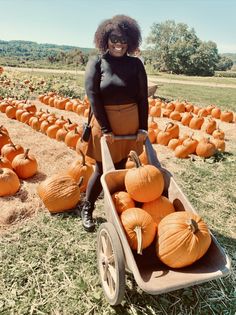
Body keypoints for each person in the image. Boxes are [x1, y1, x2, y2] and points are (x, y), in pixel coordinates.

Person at [80, 14, 149, 232]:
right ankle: (87, 207)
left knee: (120, 168)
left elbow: (142, 98)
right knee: (102, 169)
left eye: (123, 40)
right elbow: (93, 96)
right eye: (114, 39)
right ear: (105, 40)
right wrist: (106, 128)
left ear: (130, 41)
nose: (118, 45)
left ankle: (117, 209)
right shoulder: (97, 63)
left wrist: (143, 126)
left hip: (130, 122)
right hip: (105, 122)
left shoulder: (136, 64)